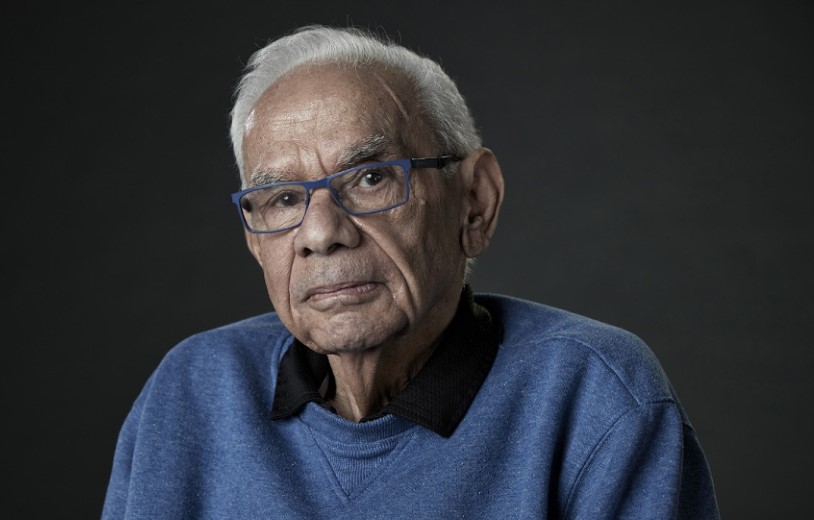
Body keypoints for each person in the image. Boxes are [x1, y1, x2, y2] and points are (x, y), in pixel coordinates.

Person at [102, 25, 719, 519]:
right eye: (284, 199)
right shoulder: (190, 392)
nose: (321, 233)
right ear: (253, 238)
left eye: (371, 177)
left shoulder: (593, 396)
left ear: (475, 201)